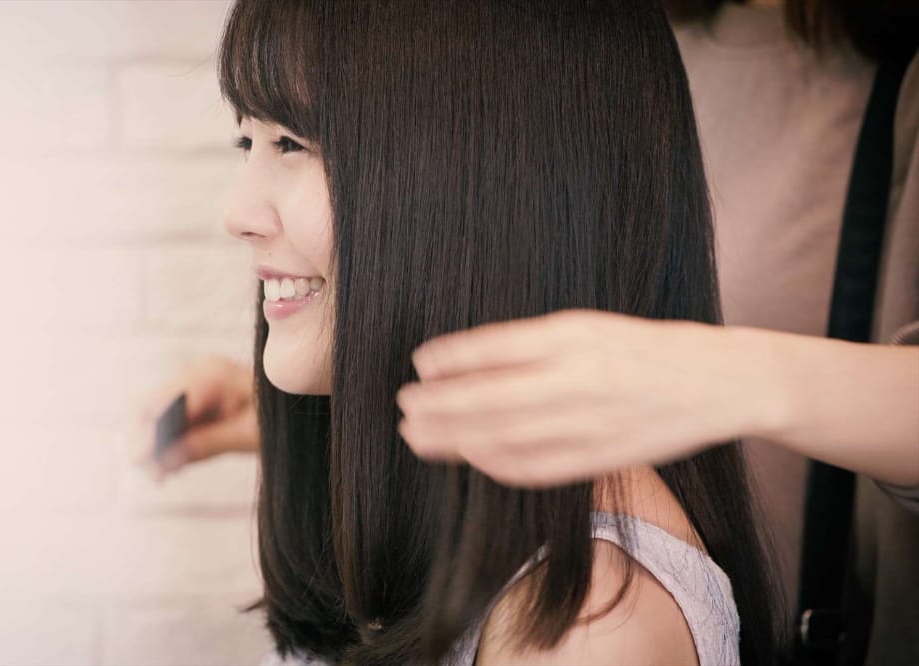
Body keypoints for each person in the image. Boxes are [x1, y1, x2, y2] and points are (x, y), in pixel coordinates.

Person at [189, 0, 784, 663]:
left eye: (291, 144)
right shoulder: (458, 526)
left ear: (480, 183)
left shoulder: (584, 628)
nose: (237, 214)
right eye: (248, 142)